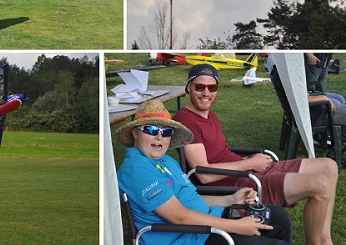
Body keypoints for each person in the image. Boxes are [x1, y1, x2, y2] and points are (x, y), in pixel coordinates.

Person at [174, 63, 338, 245]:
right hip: (239, 185)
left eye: (212, 87)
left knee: (329, 166)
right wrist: (249, 163)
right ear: (189, 87)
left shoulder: (210, 115)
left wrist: (248, 161)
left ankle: (325, 239)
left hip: (247, 171)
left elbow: (221, 154)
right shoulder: (185, 119)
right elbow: (203, 174)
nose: (206, 93)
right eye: (200, 87)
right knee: (320, 185)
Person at [116, 100, 292, 245]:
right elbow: (179, 217)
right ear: (135, 132)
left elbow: (190, 198)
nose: (159, 136)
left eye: (166, 131)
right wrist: (236, 226)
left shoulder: (166, 161)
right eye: (151, 129)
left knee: (278, 216)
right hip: (187, 237)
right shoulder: (137, 169)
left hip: (205, 223)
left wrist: (230, 199)